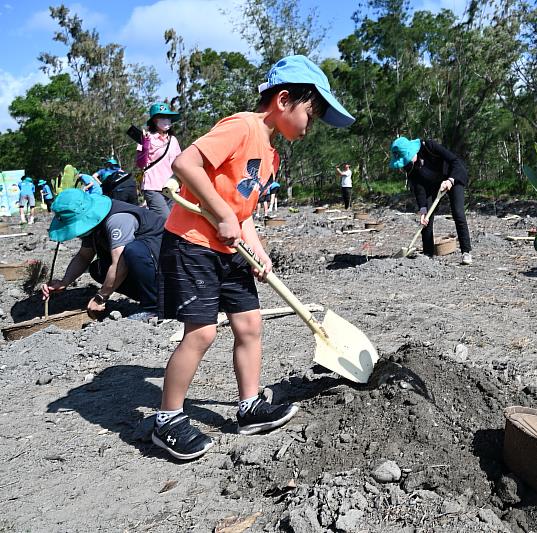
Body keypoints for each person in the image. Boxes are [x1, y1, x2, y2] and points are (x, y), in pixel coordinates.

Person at [153, 54, 355, 460]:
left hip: (230, 251)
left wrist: (257, 252)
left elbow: (242, 214)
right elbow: (185, 162)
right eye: (310, 115)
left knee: (249, 325)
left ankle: (248, 408)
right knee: (203, 332)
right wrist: (223, 214)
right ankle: (167, 420)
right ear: (284, 101)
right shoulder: (241, 126)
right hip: (192, 243)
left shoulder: (271, 155)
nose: (309, 127)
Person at [41, 189, 164, 321]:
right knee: (98, 269)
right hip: (148, 266)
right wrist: (64, 281)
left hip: (166, 267)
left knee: (133, 252)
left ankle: (154, 307)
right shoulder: (92, 225)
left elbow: (119, 264)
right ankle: (150, 297)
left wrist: (101, 296)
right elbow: (84, 256)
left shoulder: (118, 219)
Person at [390, 137, 473, 265]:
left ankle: (466, 252)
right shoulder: (409, 167)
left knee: (458, 213)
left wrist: (450, 180)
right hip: (432, 185)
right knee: (426, 218)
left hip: (453, 176)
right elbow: (419, 187)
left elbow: (455, 161)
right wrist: (422, 208)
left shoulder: (429, 146)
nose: (405, 164)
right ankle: (428, 255)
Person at [136, 102, 183, 221]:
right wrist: (145, 146)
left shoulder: (173, 140)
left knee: (174, 222)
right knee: (164, 219)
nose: (166, 120)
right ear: (154, 120)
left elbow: (179, 163)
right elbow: (140, 163)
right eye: (162, 117)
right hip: (153, 186)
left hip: (172, 186)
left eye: (168, 117)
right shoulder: (146, 137)